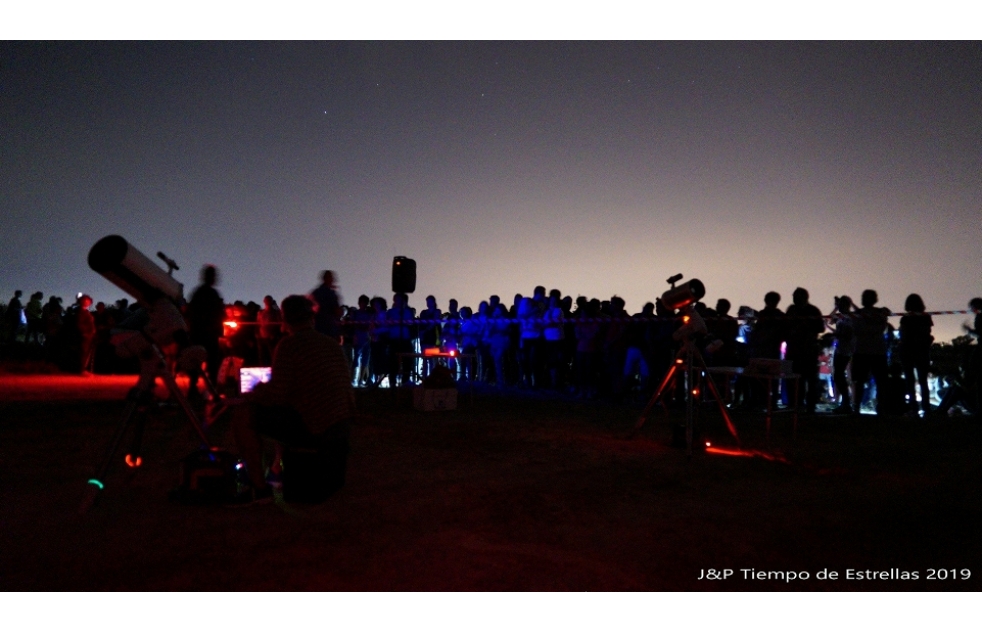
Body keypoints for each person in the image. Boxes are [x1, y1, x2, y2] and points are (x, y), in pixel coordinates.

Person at [232, 295, 356, 504]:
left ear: (285, 318)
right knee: (286, 414)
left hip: (316, 426)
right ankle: (278, 471)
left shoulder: (290, 345)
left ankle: (259, 488)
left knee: (243, 416)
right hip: (341, 423)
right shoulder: (331, 344)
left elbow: (277, 394)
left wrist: (254, 393)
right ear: (311, 318)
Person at [186, 265, 225, 399]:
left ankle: (193, 388)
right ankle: (211, 389)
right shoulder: (211, 294)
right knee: (212, 363)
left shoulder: (197, 293)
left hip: (198, 333)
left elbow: (190, 312)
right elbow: (218, 313)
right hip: (208, 334)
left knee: (197, 362)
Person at [784, 288, 825, 413]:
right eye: (794, 296)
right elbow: (785, 325)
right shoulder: (791, 310)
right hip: (793, 350)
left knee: (810, 379)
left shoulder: (813, 310)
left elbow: (820, 328)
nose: (795, 299)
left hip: (808, 350)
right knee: (793, 378)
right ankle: (795, 404)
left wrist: (805, 324)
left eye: (797, 296)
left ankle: (810, 405)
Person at [851, 289, 890, 415]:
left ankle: (879, 406)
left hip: (868, 351)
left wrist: (867, 329)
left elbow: (880, 328)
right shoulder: (878, 313)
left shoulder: (878, 313)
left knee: (875, 381)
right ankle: (859, 406)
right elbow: (880, 328)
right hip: (870, 350)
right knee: (862, 381)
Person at [899, 293, 934, 417]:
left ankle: (914, 408)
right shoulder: (925, 317)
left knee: (910, 381)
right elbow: (928, 333)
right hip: (922, 350)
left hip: (908, 350)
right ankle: (926, 408)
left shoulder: (906, 318)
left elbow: (903, 334)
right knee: (923, 381)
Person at [310, 270, 342, 341]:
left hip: (317, 328)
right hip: (330, 329)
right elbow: (337, 311)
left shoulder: (315, 293)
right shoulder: (331, 294)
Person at [256, 295, 283, 366]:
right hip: (262, 336)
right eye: (266, 300)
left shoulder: (276, 312)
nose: (267, 302)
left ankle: (274, 368)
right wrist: (258, 335)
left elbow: (279, 323)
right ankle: (262, 368)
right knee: (262, 355)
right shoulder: (260, 313)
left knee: (273, 354)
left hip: (272, 336)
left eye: (269, 300)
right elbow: (258, 324)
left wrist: (275, 334)